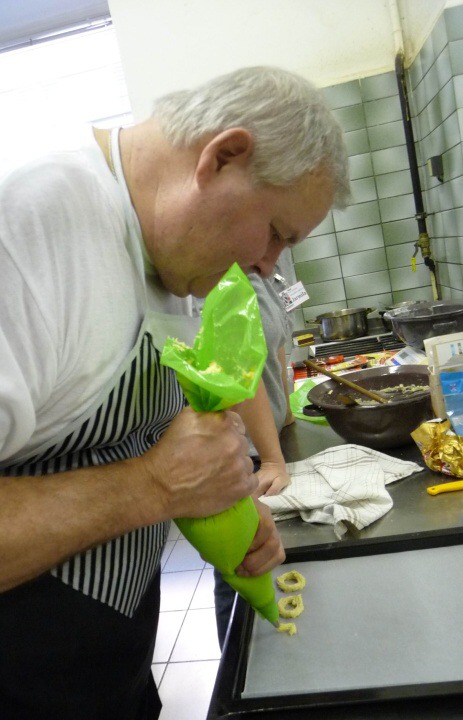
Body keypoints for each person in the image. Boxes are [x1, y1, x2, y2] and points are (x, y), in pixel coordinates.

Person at [0, 65, 350, 719]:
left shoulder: (171, 257)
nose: (269, 264)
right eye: (276, 231)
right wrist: (152, 487)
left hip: (112, 676)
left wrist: (225, 504)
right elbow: (147, 477)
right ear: (223, 157)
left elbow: (136, 441)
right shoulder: (36, 222)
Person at [213, 248, 299, 647]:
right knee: (244, 570)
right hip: (241, 455)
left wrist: (286, 416)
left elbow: (274, 346)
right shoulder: (223, 270)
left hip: (265, 443)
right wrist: (271, 457)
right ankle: (243, 661)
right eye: (278, 233)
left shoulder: (264, 270)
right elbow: (238, 365)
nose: (276, 251)